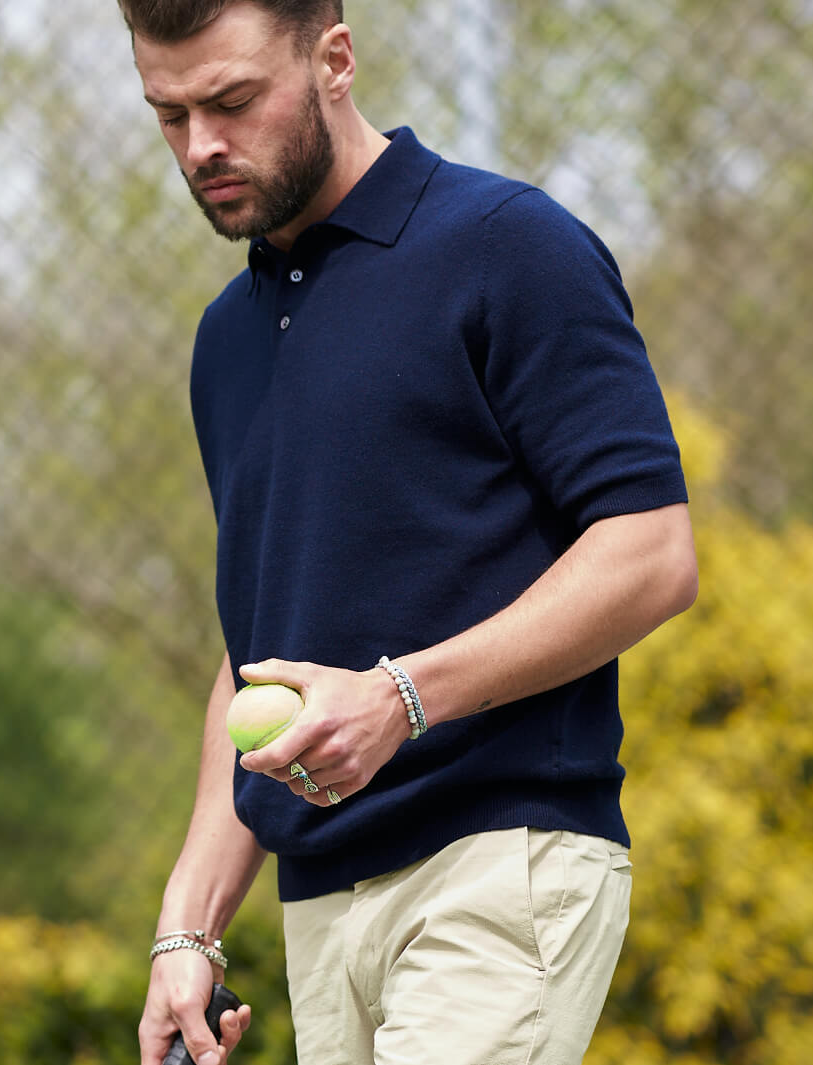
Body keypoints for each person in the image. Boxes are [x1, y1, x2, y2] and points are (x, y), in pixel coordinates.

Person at [119, 2, 699, 1063]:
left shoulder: (507, 248)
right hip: (321, 906)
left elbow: (651, 553)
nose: (202, 146)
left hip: (498, 861)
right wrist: (189, 926)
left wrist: (400, 698)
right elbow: (259, 647)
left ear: (334, 60)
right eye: (170, 114)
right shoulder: (227, 342)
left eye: (233, 102)